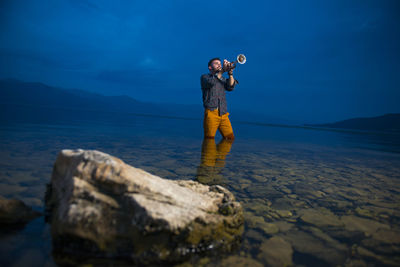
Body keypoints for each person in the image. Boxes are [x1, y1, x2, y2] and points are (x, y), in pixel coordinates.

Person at [200, 58, 238, 140]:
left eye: (220, 63)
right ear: (210, 67)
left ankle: (220, 153)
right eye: (216, 63)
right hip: (211, 112)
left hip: (223, 113)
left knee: (230, 139)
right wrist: (222, 71)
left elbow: (230, 87)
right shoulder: (205, 77)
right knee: (209, 139)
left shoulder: (222, 79)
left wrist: (230, 73)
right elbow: (212, 82)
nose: (219, 65)